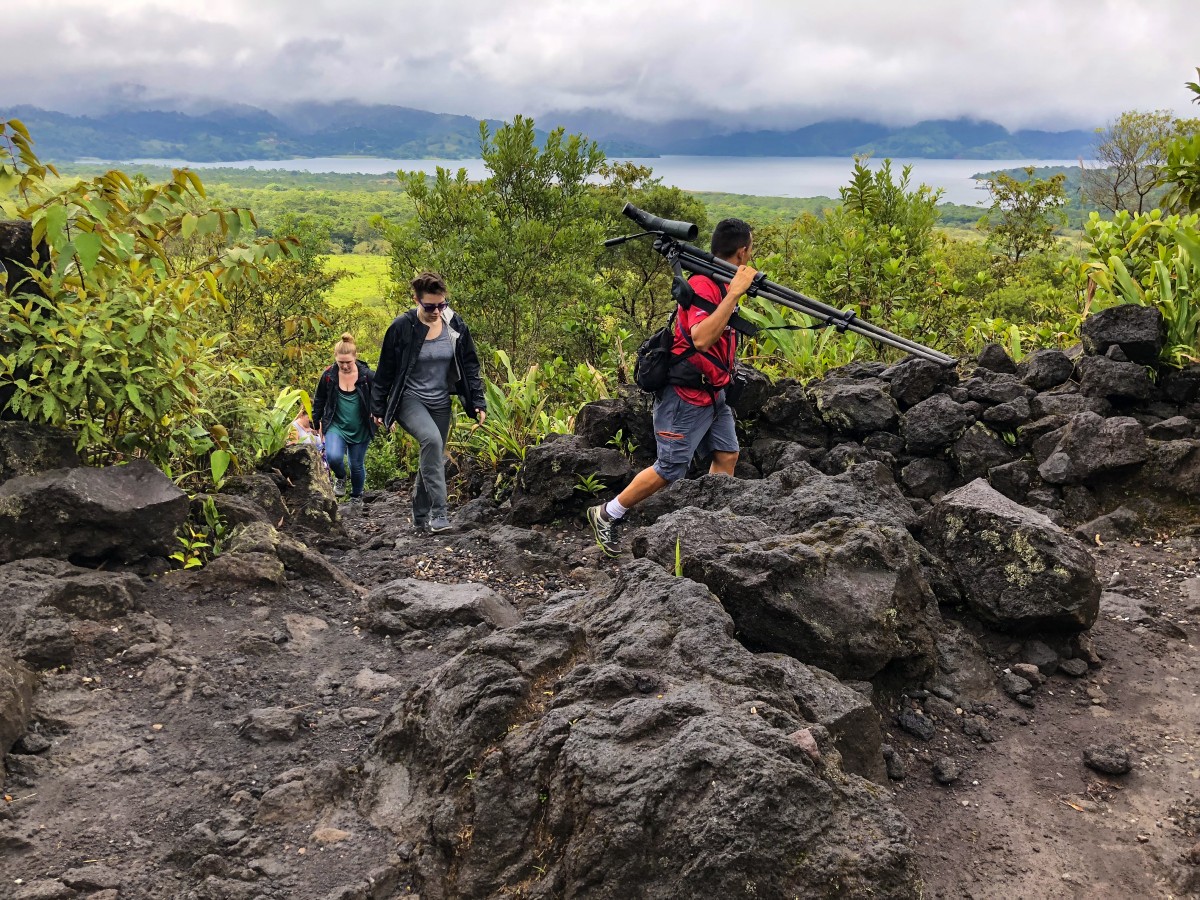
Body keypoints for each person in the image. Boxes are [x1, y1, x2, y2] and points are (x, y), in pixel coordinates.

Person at [587, 218, 757, 556]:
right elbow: (701, 338)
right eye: (750, 251)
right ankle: (607, 513)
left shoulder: (722, 280)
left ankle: (711, 526)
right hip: (685, 396)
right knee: (670, 468)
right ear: (742, 252)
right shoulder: (707, 284)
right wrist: (735, 293)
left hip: (713, 392)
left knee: (727, 453)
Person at [371, 271, 487, 533]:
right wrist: (377, 406)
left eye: (441, 305)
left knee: (431, 455)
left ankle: (420, 514)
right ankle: (440, 514)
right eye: (430, 306)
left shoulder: (454, 324)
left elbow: (469, 365)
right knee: (432, 442)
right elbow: (385, 370)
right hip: (409, 399)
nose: (436, 311)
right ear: (416, 300)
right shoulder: (401, 327)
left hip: (440, 401)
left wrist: (477, 401)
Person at [312, 332, 375, 503]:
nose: (345, 366)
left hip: (361, 426)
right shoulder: (328, 375)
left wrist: (381, 413)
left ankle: (356, 496)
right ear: (335, 357)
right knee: (333, 457)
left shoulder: (367, 376)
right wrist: (315, 419)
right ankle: (340, 477)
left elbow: (381, 395)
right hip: (336, 425)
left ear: (355, 357)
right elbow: (320, 398)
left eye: (348, 362)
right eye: (341, 362)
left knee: (356, 465)